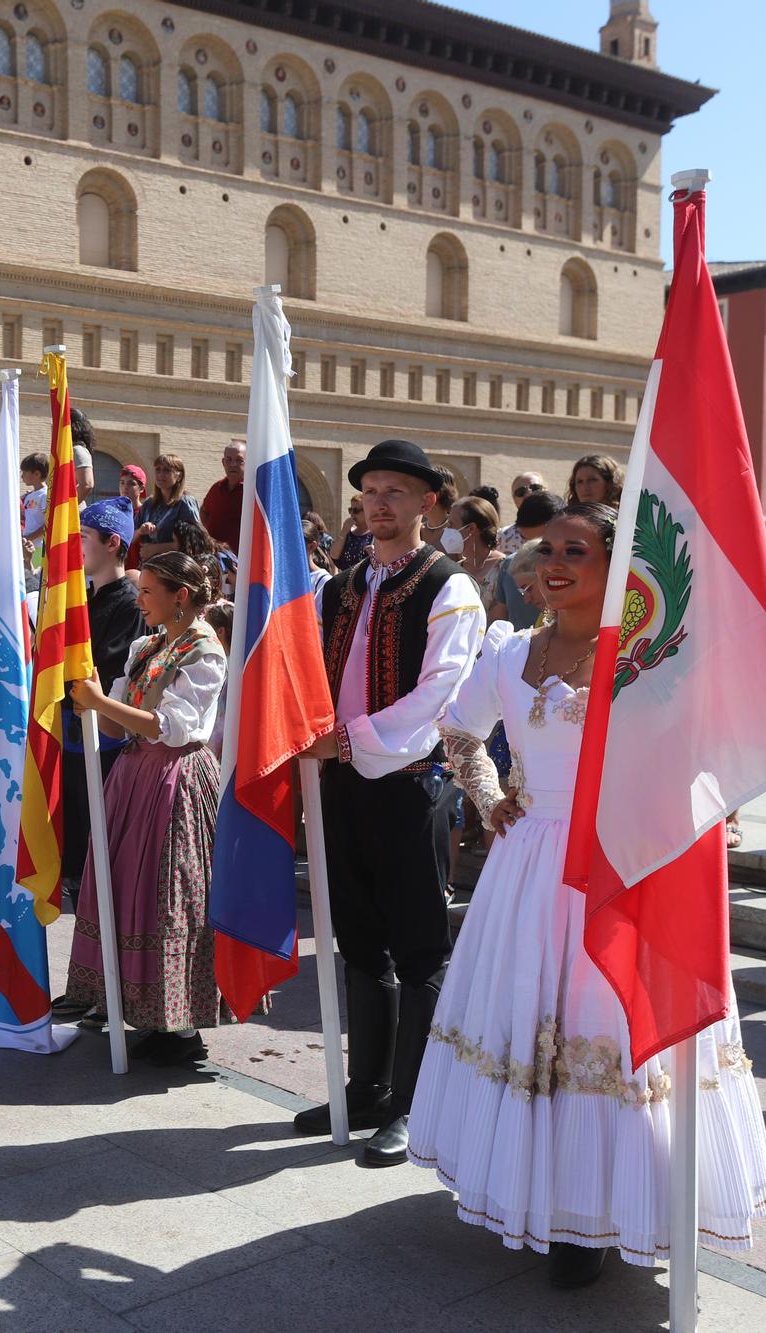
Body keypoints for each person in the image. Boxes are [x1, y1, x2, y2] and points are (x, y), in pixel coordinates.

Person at [411, 502, 766, 1287]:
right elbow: (460, 728)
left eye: (577, 549)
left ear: (619, 567)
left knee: (611, 1027)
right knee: (530, 1023)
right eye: (546, 547)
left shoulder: (644, 659)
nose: (553, 561)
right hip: (528, 866)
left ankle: (606, 1212)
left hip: (618, 865)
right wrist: (488, 795)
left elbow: (703, 745)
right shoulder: (509, 652)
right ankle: (539, 1193)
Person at [297, 438, 486, 1167]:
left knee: (418, 946)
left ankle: (415, 1102)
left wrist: (348, 740)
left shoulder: (449, 586)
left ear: (427, 502)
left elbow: (439, 694)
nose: (379, 503)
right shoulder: (337, 586)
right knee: (356, 937)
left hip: (408, 783)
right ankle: (366, 1085)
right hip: (341, 781)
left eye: (395, 492)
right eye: (370, 492)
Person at [65, 552, 231, 1065]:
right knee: (126, 889)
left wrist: (100, 703)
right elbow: (119, 727)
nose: (140, 598)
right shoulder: (147, 645)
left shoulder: (206, 652)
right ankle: (134, 1004)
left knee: (170, 894)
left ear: (180, 596)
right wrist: (88, 699)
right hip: (135, 776)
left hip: (175, 779)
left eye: (149, 590)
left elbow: (168, 726)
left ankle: (181, 1026)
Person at [59, 498, 145, 916]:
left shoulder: (128, 604)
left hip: (105, 745)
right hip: (72, 741)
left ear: (113, 543)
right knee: (74, 859)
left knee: (102, 859)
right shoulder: (80, 601)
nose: (76, 547)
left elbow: (107, 671)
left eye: (84, 538)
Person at [486, 491, 563, 629]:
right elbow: (498, 619)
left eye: (545, 546)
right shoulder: (510, 565)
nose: (535, 551)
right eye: (526, 539)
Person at [441, 495, 505, 608]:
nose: (446, 530)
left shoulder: (503, 568)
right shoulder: (454, 571)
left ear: (471, 528)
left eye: (451, 524)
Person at [136, 454, 200, 560]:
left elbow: (194, 542)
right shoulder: (149, 503)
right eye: (158, 470)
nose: (161, 474)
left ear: (179, 476)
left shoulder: (185, 502)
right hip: (148, 566)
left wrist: (156, 548)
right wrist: (140, 531)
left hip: (173, 567)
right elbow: (130, 536)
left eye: (166, 470)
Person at [198, 441, 247, 550]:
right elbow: (204, 511)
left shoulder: (253, 492)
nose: (233, 464)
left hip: (241, 559)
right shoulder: (217, 487)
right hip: (215, 557)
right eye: (228, 460)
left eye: (239, 460)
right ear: (223, 462)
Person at [497, 472, 548, 553]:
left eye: (535, 488)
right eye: (521, 492)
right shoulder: (501, 537)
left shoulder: (563, 530)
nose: (528, 494)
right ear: (514, 499)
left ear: (546, 491)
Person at [333, 492, 374, 572]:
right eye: (350, 510)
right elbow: (334, 556)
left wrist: (374, 553)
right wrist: (344, 531)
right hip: (347, 579)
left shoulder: (376, 534)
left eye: (356, 510)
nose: (352, 514)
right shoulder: (348, 533)